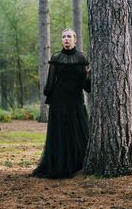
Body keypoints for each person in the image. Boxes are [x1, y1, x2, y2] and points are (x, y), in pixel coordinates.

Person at [32, 28, 91, 179]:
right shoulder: (56, 57)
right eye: (64, 37)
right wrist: (49, 95)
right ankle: (60, 166)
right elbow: (51, 83)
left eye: (69, 36)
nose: (66, 39)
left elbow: (86, 85)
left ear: (75, 39)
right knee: (60, 133)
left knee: (78, 131)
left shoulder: (82, 57)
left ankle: (78, 165)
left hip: (76, 100)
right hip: (59, 101)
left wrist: (91, 76)